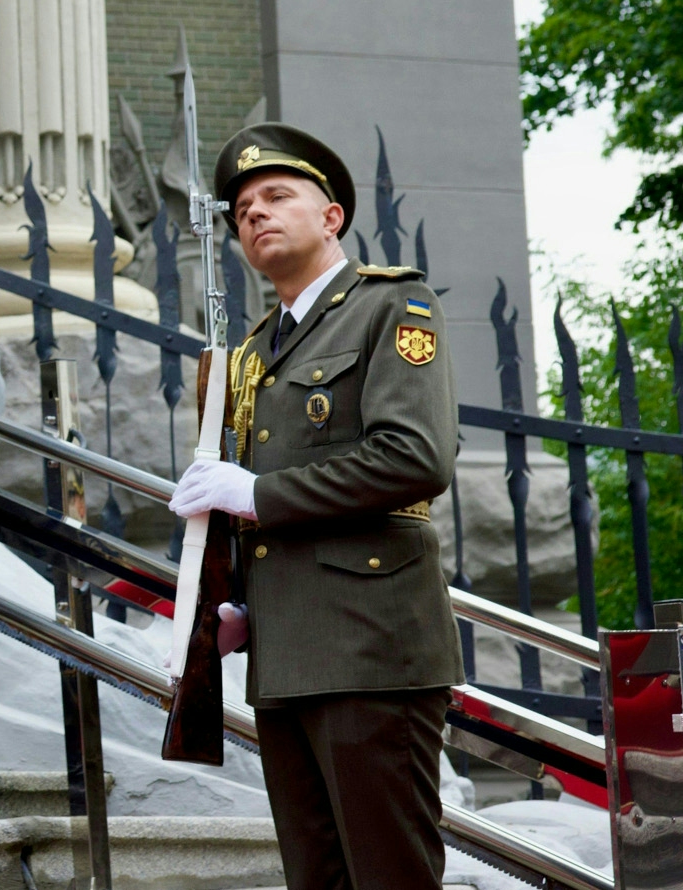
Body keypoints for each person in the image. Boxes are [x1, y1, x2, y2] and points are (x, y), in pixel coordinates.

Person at [167, 122, 464, 890]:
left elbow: (415, 458)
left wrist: (257, 494)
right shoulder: (256, 349)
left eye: (276, 197)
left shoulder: (390, 307)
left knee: (388, 875)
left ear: (330, 217)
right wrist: (236, 605)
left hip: (371, 646)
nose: (255, 214)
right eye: (242, 210)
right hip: (287, 652)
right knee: (317, 879)